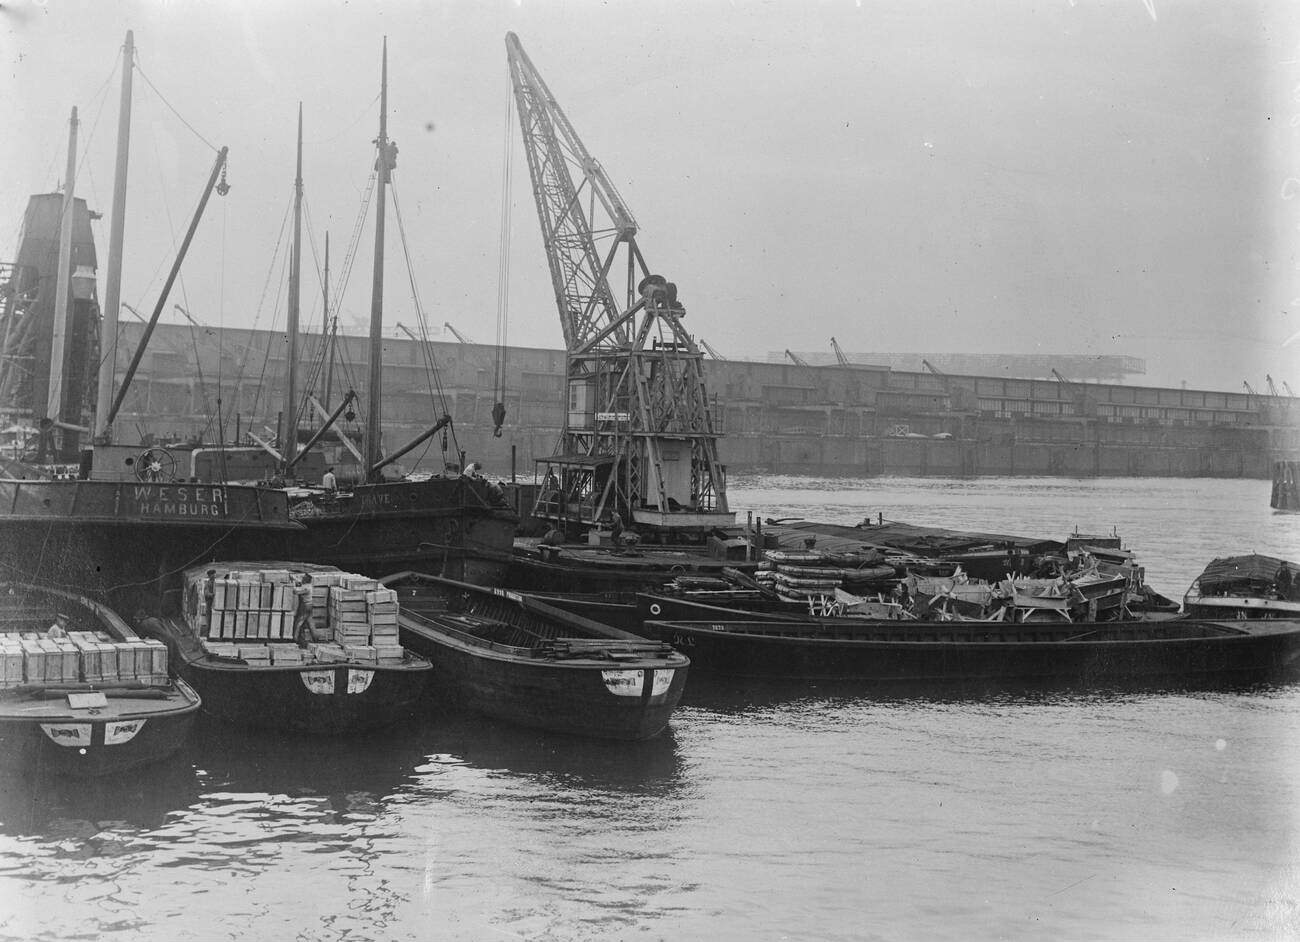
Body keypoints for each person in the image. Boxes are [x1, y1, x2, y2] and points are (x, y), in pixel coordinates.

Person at [293, 573, 313, 647]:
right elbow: (300, 583)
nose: (302, 579)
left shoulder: (306, 588)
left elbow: (295, 591)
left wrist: (293, 584)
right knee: (310, 623)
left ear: (306, 580)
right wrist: (294, 579)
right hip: (308, 606)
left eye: (303, 578)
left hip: (306, 606)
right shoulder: (307, 585)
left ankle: (295, 639)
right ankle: (316, 638)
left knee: (299, 622)